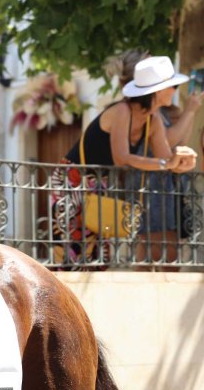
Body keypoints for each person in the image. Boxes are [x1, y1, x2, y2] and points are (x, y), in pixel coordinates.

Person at [50, 55, 199, 266]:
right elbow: (122, 158)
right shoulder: (122, 110)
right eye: (172, 86)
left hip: (98, 183)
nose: (175, 90)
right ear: (157, 91)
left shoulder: (153, 118)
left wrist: (183, 163)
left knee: (98, 256)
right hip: (72, 179)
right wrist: (168, 164)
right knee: (70, 254)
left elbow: (165, 159)